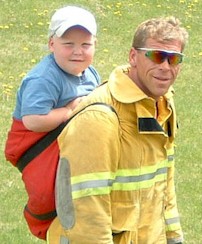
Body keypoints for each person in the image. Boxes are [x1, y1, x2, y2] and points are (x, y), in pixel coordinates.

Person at [47, 16, 189, 243]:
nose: (165, 66)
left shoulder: (162, 104)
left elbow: (164, 187)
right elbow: (87, 211)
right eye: (156, 56)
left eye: (174, 58)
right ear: (133, 56)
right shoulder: (100, 116)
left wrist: (174, 238)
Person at [4, 5, 100, 240]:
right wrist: (68, 111)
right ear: (51, 44)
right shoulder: (43, 78)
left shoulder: (90, 73)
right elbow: (33, 120)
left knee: (79, 200)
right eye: (68, 44)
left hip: (70, 150)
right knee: (47, 200)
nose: (78, 51)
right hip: (40, 150)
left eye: (85, 44)